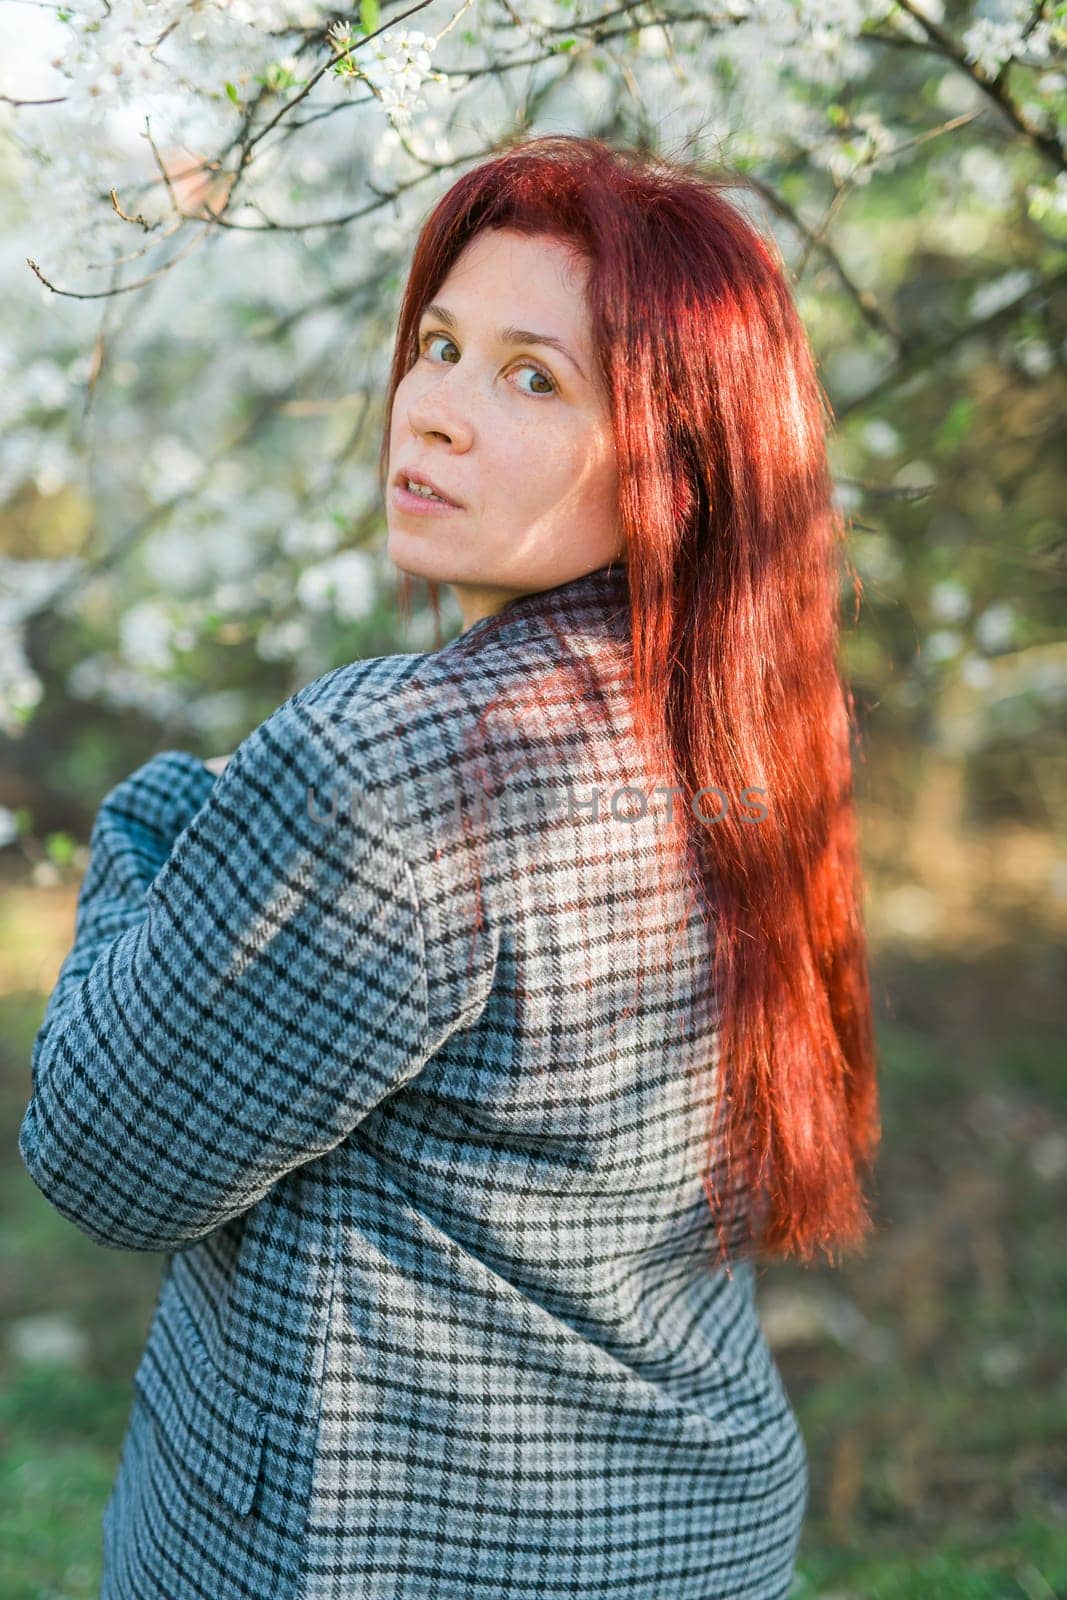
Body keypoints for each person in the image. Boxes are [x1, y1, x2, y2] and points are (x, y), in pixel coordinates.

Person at [19, 133, 880, 1600]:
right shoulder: (743, 725)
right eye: (439, 346)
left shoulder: (385, 773)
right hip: (689, 1536)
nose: (436, 412)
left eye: (533, 378)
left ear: (676, 458)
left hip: (377, 1550)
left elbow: (106, 1157)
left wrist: (159, 824)